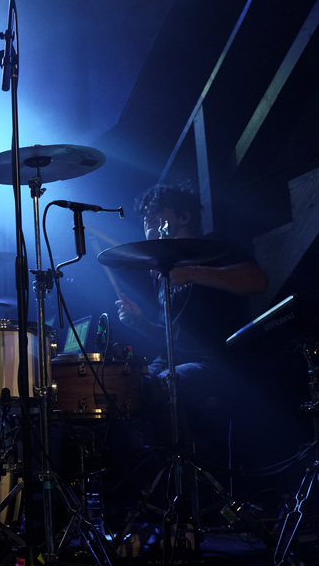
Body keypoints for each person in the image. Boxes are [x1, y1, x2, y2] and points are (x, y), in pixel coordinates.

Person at [115, 184, 268, 463]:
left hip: (220, 363)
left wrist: (192, 273)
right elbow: (173, 338)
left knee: (161, 386)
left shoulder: (213, 248)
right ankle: (156, 477)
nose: (147, 222)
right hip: (176, 361)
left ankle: (186, 472)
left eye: (154, 215)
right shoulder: (162, 271)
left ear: (184, 218)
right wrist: (141, 323)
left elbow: (257, 281)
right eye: (145, 219)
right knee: (115, 386)